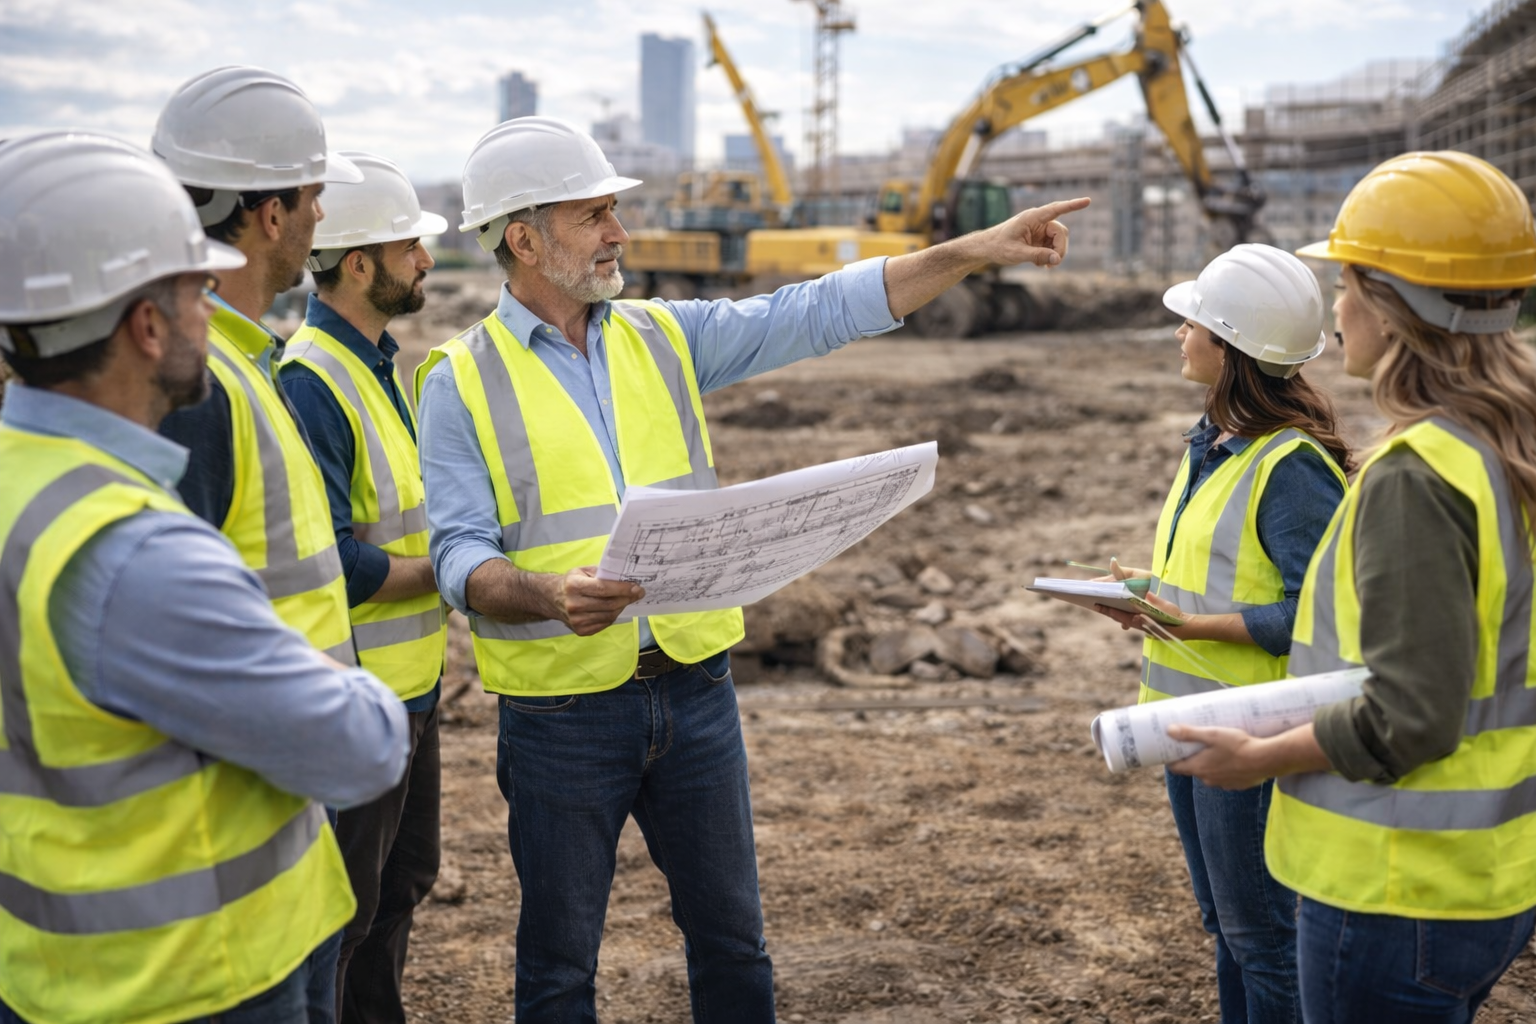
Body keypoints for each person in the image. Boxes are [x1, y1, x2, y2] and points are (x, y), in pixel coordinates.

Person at [415, 114, 1088, 1023]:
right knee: (560, 968)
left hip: (696, 691)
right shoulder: (460, 379)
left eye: (614, 210)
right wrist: (544, 594)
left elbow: (817, 310)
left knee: (734, 945)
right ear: (524, 240)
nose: (619, 232)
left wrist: (969, 252)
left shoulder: (663, 337)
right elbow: (458, 553)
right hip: (562, 715)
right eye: (594, 215)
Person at [0, 132, 410, 1024]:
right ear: (147, 328)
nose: (210, 313)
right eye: (196, 291)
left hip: (53, 971)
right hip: (198, 973)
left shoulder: (22, 481)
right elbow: (363, 745)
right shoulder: (133, 552)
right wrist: (326, 668)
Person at [1169, 151, 1536, 1024]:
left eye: (1346, 284)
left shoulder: (1420, 473)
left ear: (1390, 304)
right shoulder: (1508, 444)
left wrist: (1258, 758)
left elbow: (1411, 714)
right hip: (1488, 875)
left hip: (1394, 882)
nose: (1335, 309)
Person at [1093, 244, 1350, 1024]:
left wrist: (1186, 622)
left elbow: (1322, 615)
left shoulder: (1290, 466)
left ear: (1231, 347)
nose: (1180, 332)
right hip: (1188, 724)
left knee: (1263, 941)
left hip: (1251, 733)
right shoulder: (1213, 444)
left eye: (1194, 322)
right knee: (1229, 931)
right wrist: (1149, 590)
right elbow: (1230, 572)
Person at [279, 152, 449, 1024]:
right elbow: (334, 562)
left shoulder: (378, 364)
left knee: (401, 883)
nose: (426, 259)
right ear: (358, 264)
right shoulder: (312, 381)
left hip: (411, 688)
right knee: (348, 913)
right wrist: (449, 573)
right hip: (363, 697)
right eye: (410, 245)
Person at [152, 66, 364, 666]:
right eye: (314, 197)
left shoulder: (240, 357)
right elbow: (178, 631)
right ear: (272, 216)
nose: (320, 216)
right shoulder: (197, 383)